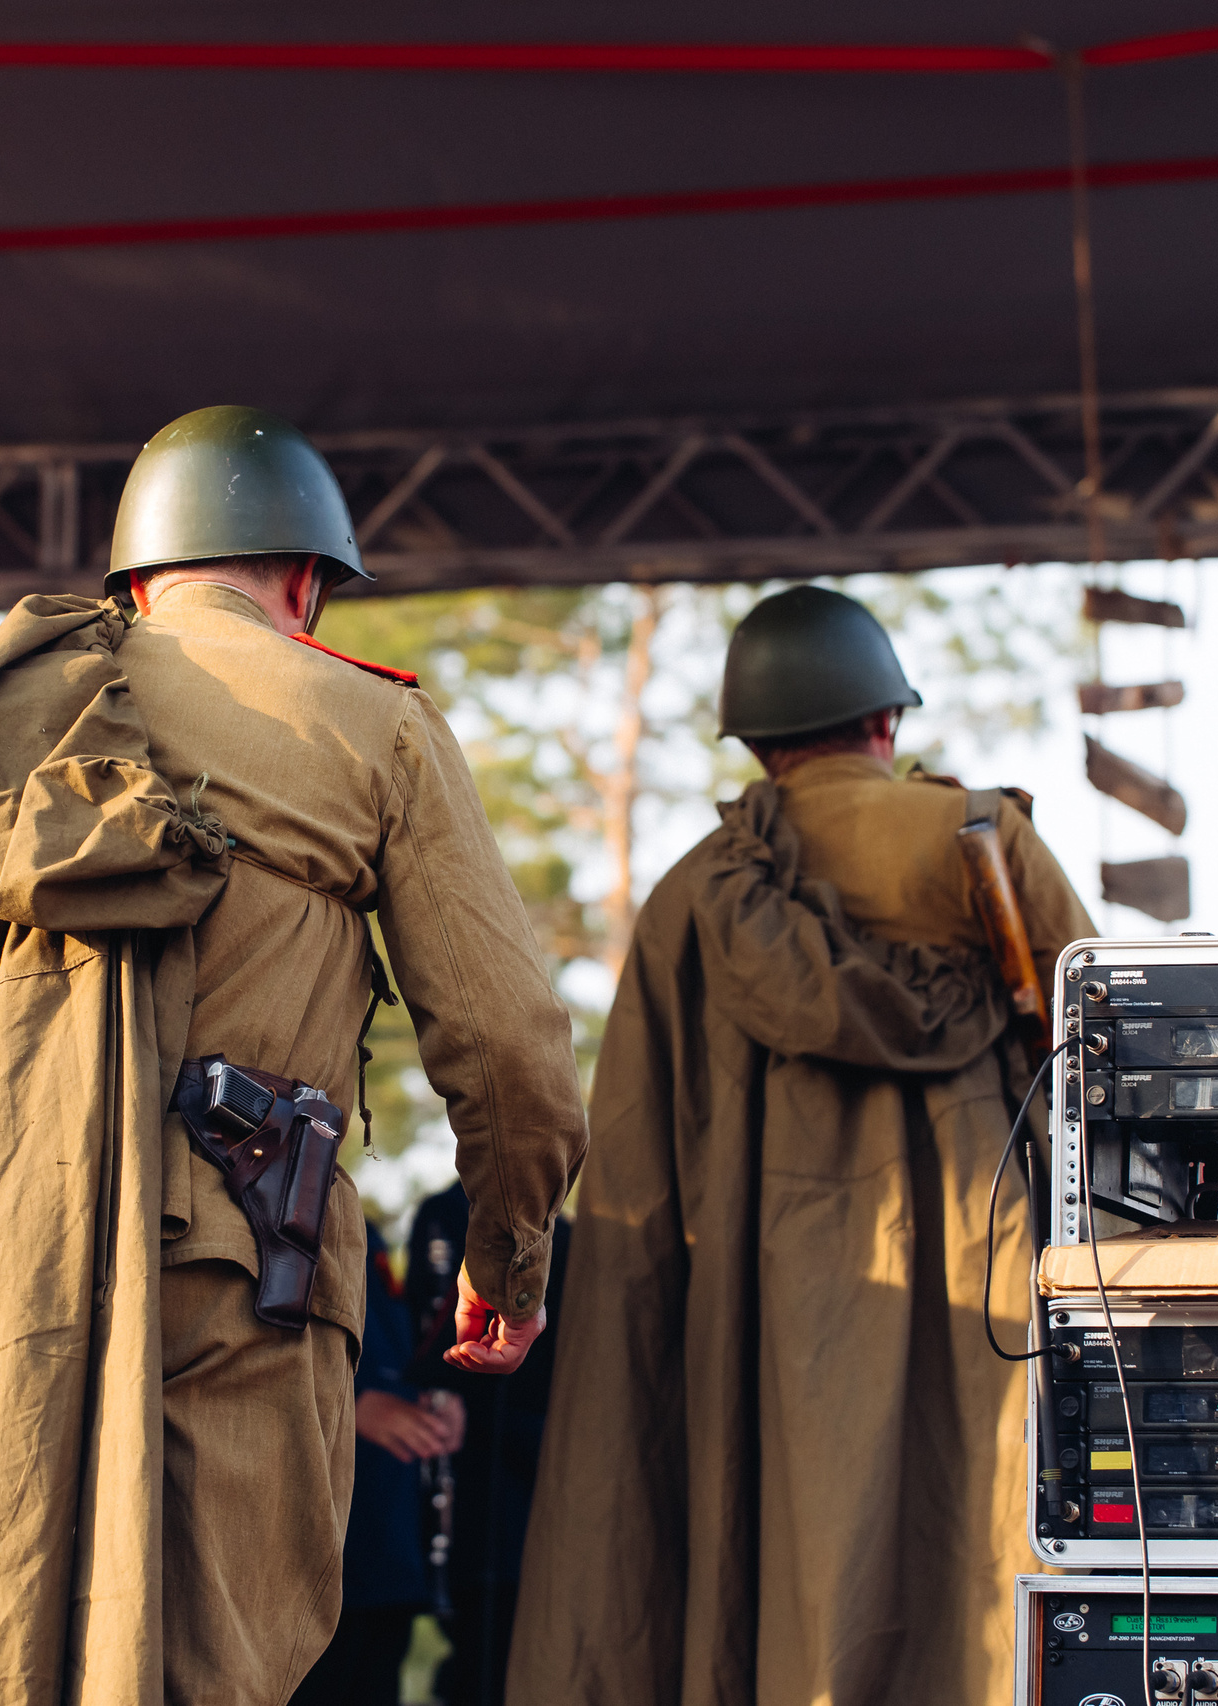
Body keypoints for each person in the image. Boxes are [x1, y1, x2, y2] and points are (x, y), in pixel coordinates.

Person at [0, 405, 588, 1706]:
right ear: (305, 584)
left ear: (131, 581)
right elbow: (508, 1043)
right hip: (226, 1279)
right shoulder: (372, 727)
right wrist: (507, 1260)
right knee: (192, 1654)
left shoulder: (2, 726)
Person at [508, 584, 1094, 1706]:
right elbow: (1102, 1054)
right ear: (885, 722)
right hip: (986, 1299)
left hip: (757, 1320)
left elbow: (635, 1163)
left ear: (758, 743)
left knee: (771, 1558)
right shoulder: (975, 841)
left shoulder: (691, 895)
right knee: (979, 1546)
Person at [403, 1183, 571, 1706]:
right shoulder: (447, 1214)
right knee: (481, 1644)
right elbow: (432, 1331)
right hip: (471, 1469)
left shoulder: (566, 1237)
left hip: (544, 1472)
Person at [288, 1220, 463, 1706]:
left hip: (384, 1543)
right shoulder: (258, 1191)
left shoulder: (358, 1225)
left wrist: (436, 1400)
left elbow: (391, 1349)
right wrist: (351, 1402)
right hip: (309, 1554)